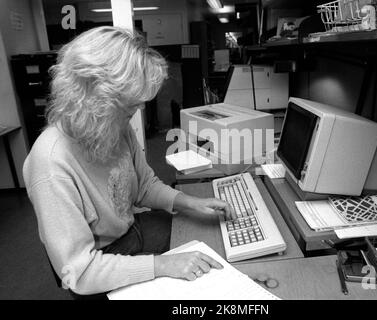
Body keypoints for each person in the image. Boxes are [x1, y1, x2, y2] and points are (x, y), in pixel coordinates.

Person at [22, 26, 234, 298]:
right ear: (91, 97)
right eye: (130, 104)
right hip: (99, 263)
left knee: (212, 241)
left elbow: (144, 186)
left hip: (131, 229)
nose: (140, 109)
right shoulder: (51, 163)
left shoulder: (111, 125)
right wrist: (163, 265)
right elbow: (80, 273)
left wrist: (190, 202)